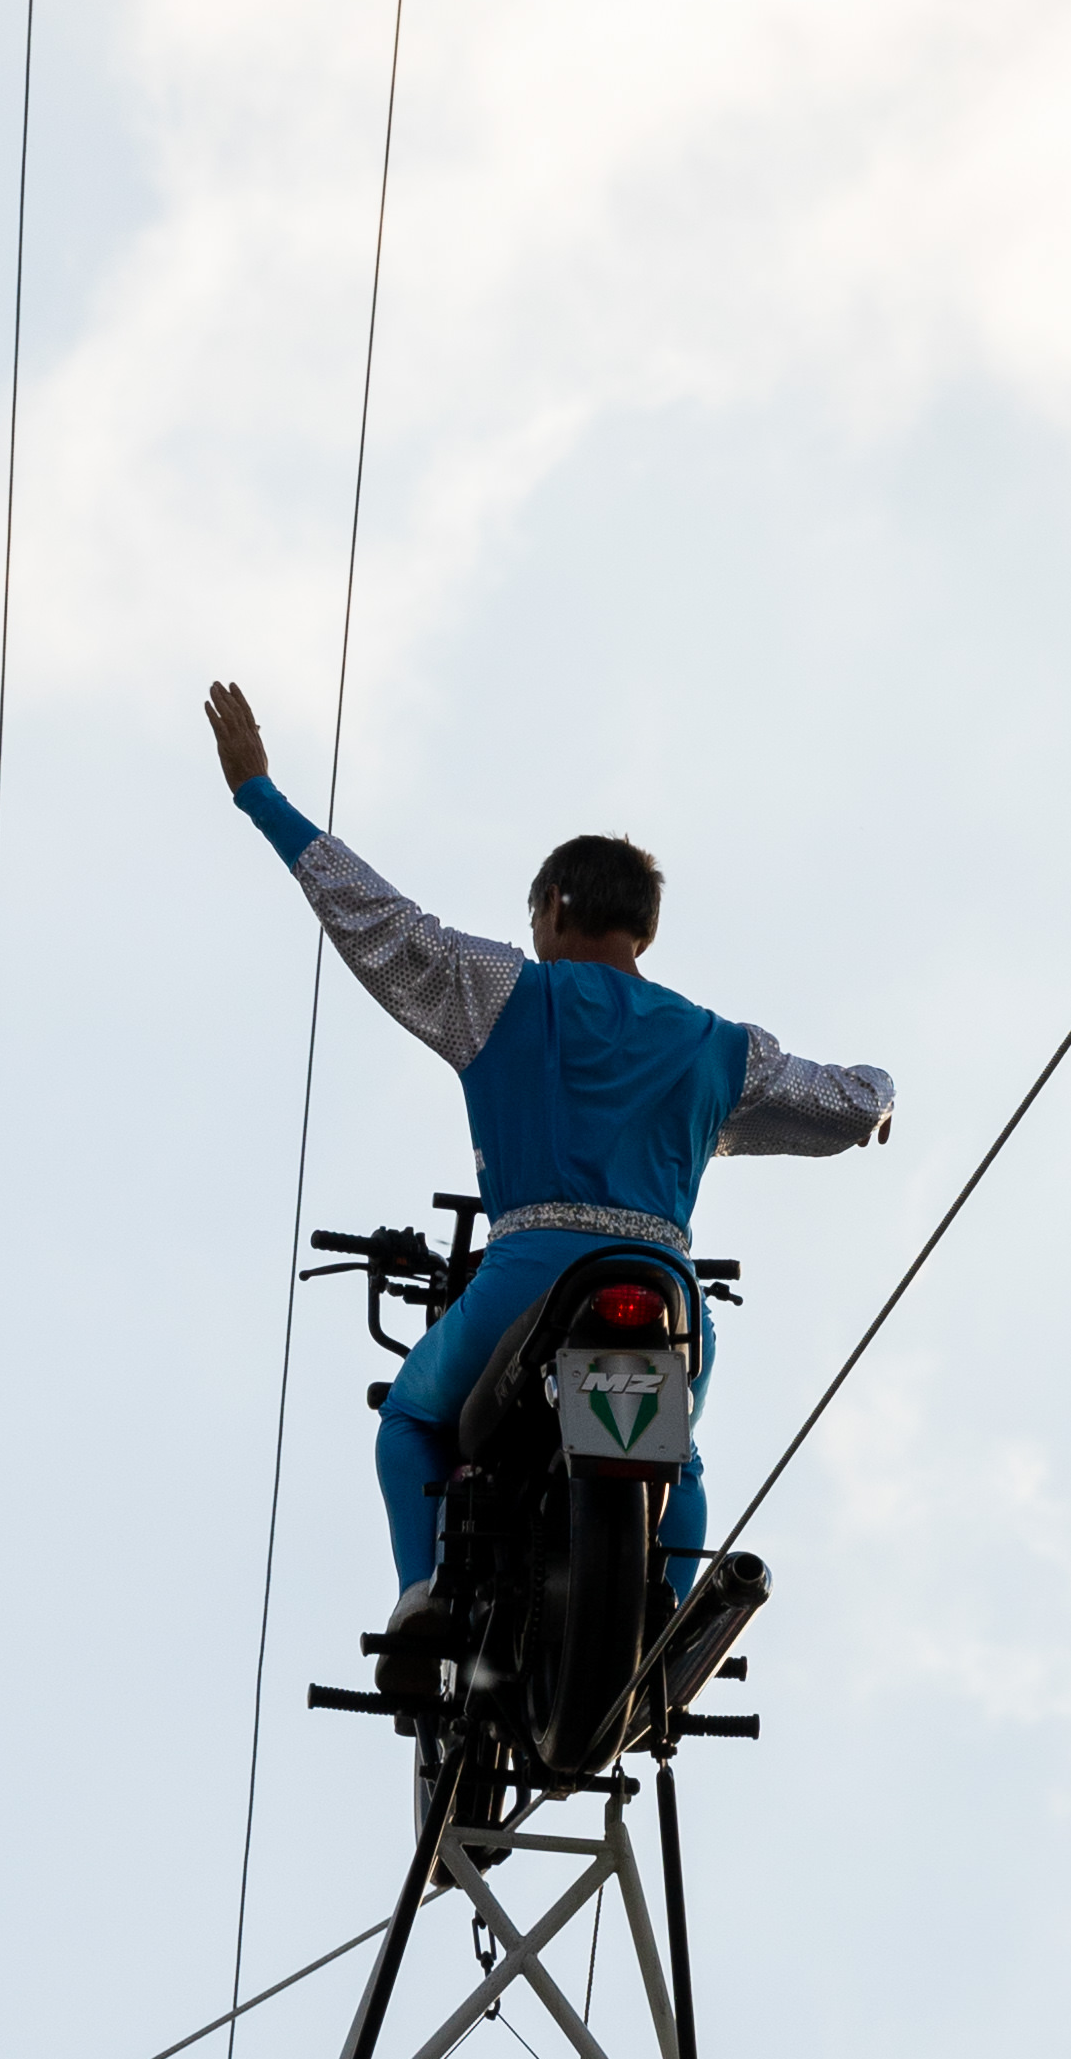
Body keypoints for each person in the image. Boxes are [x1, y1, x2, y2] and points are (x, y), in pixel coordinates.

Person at [200, 678, 894, 1651]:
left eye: (536, 915)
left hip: (528, 1273)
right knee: (681, 1461)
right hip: (663, 1282)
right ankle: (661, 1630)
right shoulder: (720, 1047)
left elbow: (375, 918)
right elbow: (842, 1101)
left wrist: (260, 795)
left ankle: (422, 1598)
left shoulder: (500, 992)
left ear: (556, 905)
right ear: (644, 927)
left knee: (409, 1420)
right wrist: (881, 1096)